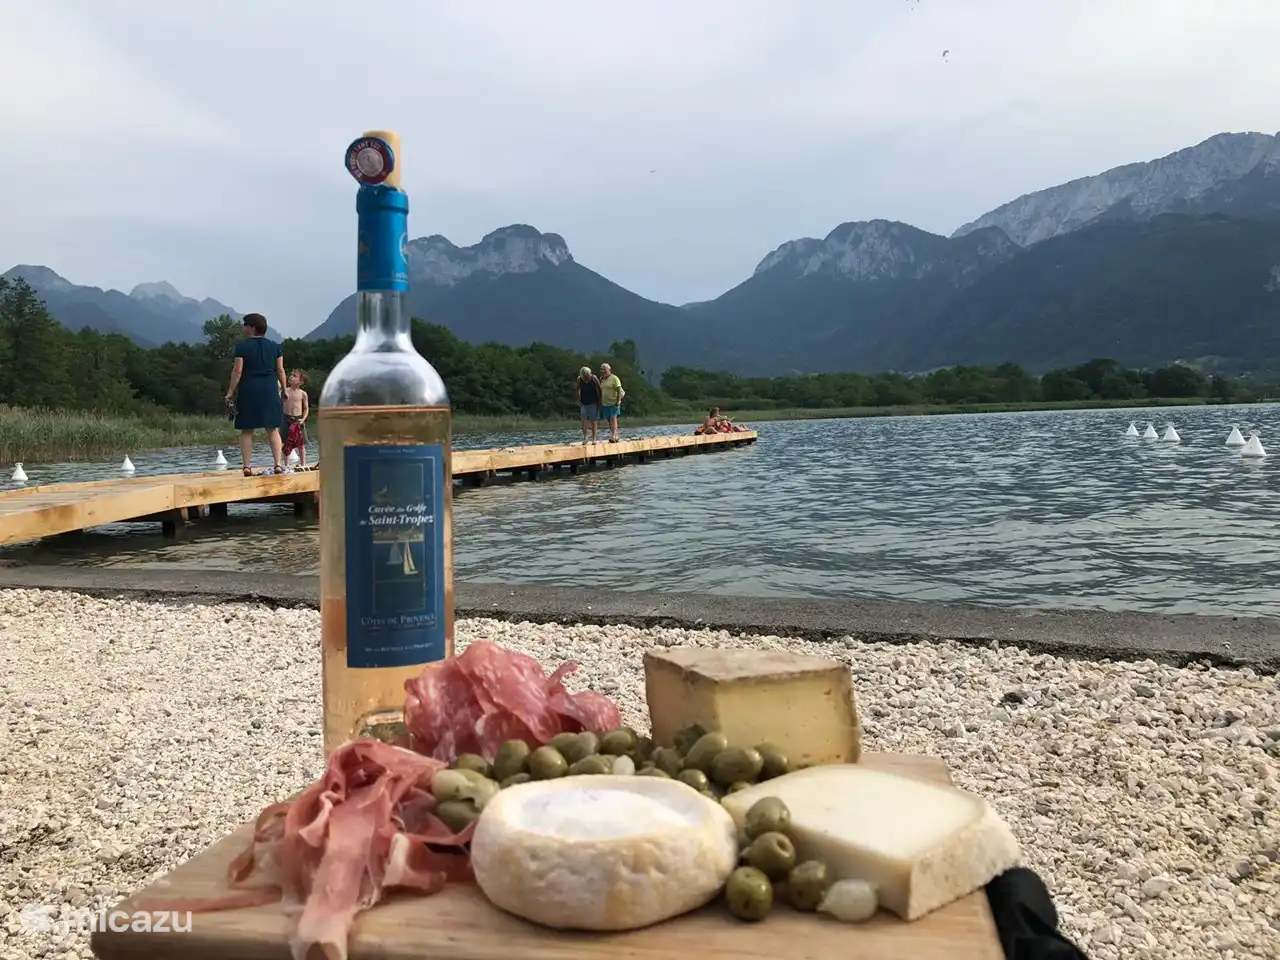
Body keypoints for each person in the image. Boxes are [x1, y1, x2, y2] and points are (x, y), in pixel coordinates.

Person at [224, 312, 286, 476]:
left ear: (252, 327)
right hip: (269, 390)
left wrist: (230, 392)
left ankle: (246, 466)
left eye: (245, 325)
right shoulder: (275, 346)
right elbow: (280, 370)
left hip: (248, 390)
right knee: (272, 429)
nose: (243, 328)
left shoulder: (242, 347)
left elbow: (238, 371)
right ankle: (278, 465)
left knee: (246, 430)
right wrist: (285, 389)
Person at [283, 369, 310, 467]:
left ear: (301, 382)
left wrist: (303, 419)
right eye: (291, 375)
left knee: (300, 444)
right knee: (286, 443)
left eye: (294, 376)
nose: (291, 376)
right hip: (285, 418)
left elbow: (306, 408)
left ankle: (303, 464)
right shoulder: (284, 390)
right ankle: (287, 465)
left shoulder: (303, 393)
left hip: (298, 420)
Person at [598, 362, 625, 443]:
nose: (603, 371)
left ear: (609, 369)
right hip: (605, 403)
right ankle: (616, 435)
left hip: (614, 402)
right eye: (602, 369)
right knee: (609, 420)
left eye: (604, 369)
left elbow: (619, 390)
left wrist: (618, 401)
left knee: (613, 418)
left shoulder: (614, 378)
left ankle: (613, 436)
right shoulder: (602, 379)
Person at [575, 366, 602, 444]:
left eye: (586, 376)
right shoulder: (579, 379)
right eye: (584, 376)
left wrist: (600, 400)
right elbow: (577, 389)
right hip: (584, 402)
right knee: (584, 420)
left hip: (593, 402)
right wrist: (578, 400)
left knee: (593, 420)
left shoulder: (594, 378)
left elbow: (599, 389)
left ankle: (594, 439)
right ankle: (585, 437)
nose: (585, 378)